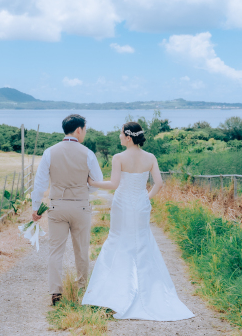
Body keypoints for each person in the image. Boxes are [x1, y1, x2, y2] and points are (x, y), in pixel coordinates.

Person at [81, 121, 194, 321]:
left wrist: (92, 182)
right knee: (142, 242)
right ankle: (147, 289)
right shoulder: (150, 157)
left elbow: (114, 184)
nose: (119, 137)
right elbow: (159, 183)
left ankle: (115, 291)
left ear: (128, 136)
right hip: (141, 205)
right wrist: (145, 198)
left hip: (122, 204)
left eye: (120, 133)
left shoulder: (119, 158)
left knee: (118, 241)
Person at [31, 114, 103, 306]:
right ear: (79, 130)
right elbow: (97, 183)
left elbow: (40, 184)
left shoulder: (50, 152)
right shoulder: (88, 153)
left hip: (57, 206)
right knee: (82, 250)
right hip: (80, 205)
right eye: (85, 129)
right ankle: (81, 289)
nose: (85, 133)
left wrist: (36, 208)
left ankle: (56, 292)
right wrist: (81, 190)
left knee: (55, 251)